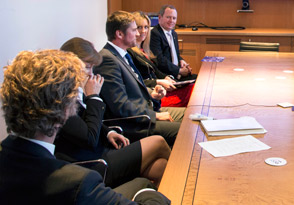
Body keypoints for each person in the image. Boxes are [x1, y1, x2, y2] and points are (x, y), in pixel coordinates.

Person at [0, 49, 170, 204]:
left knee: (154, 171)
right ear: (67, 110)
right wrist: (144, 194)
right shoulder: (79, 183)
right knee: (145, 184)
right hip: (94, 167)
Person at [56, 37, 171, 188]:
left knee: (161, 166)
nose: (91, 74)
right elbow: (89, 138)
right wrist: (94, 97)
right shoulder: (61, 100)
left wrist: (108, 132)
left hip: (104, 150)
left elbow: (87, 122)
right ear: (70, 65)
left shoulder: (76, 89)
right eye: (87, 67)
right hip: (94, 164)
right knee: (158, 142)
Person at [93, 11, 182, 146]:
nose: (138, 33)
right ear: (119, 34)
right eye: (134, 30)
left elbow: (132, 90)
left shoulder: (123, 54)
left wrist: (152, 93)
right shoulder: (107, 60)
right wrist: (155, 116)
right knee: (186, 130)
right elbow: (120, 106)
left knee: (190, 116)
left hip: (147, 111)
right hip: (136, 125)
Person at [129, 11, 193, 107]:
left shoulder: (144, 49)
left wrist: (166, 78)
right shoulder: (130, 53)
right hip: (154, 95)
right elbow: (137, 81)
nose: (143, 31)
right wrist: (160, 81)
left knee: (194, 87)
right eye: (139, 27)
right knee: (193, 92)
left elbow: (155, 71)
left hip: (161, 88)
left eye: (146, 27)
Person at [149, 4, 195, 80]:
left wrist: (182, 61)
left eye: (174, 18)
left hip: (176, 72)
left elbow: (174, 54)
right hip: (167, 76)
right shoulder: (155, 33)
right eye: (168, 17)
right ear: (160, 17)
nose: (171, 21)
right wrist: (179, 71)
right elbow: (159, 60)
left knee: (200, 79)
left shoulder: (174, 33)